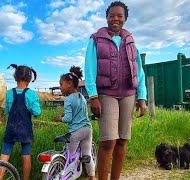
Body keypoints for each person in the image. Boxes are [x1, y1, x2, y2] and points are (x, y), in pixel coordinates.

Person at [84, 1, 147, 179]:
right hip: (106, 94)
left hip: (128, 94)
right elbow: (89, 68)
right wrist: (93, 96)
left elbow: (139, 71)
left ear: (125, 19)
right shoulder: (96, 39)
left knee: (122, 140)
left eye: (120, 16)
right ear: (107, 18)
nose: (115, 19)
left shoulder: (130, 42)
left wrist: (142, 97)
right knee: (108, 141)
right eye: (112, 15)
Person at [0, 64, 41, 180]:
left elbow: (6, 111)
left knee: (4, 156)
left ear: (16, 77)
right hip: (25, 130)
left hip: (11, 128)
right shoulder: (31, 94)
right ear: (29, 79)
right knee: (26, 156)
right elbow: (37, 112)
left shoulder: (9, 93)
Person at [54, 66, 96, 180]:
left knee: (70, 155)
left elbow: (68, 118)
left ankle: (67, 175)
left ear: (69, 84)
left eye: (61, 84)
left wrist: (59, 119)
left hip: (76, 132)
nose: (60, 87)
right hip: (87, 129)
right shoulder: (81, 97)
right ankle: (92, 176)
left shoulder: (68, 100)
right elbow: (78, 113)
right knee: (87, 154)